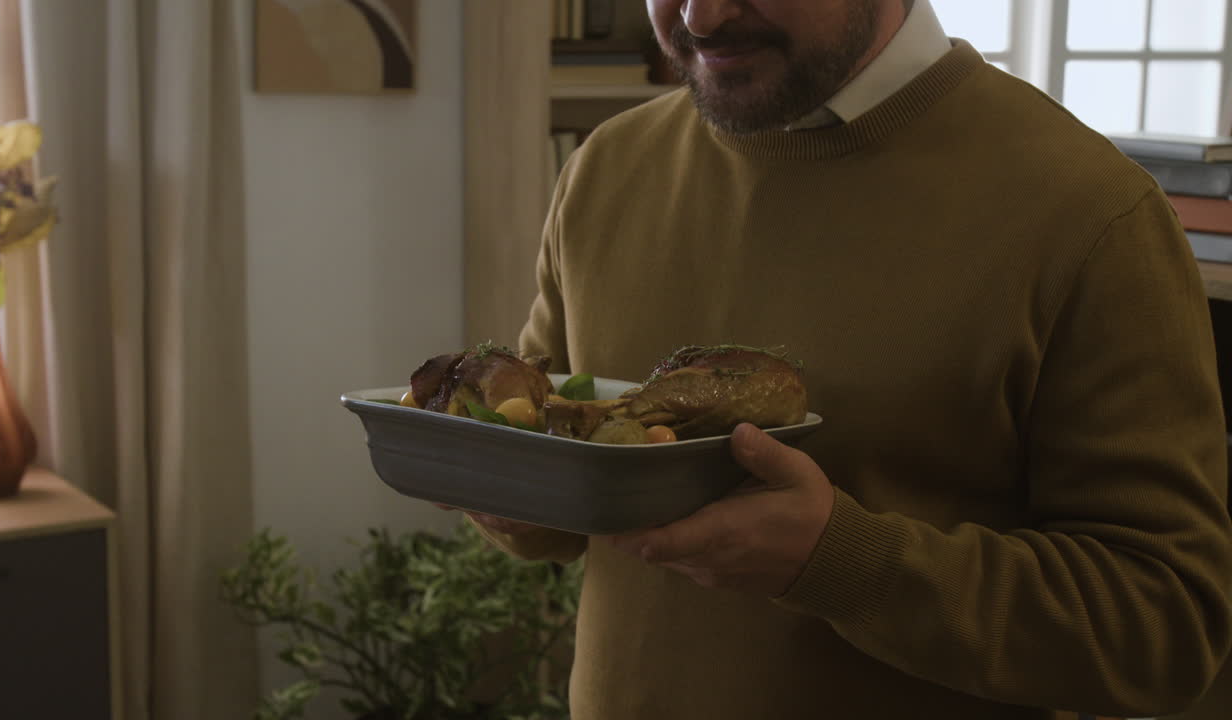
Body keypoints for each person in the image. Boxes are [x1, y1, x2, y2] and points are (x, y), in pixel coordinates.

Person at [456, 0, 1232, 717]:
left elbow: (1165, 627)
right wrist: (502, 479)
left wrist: (846, 565)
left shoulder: (1093, 213)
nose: (701, 14)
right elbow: (560, 499)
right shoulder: (608, 165)